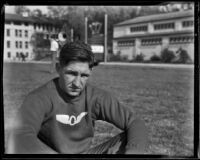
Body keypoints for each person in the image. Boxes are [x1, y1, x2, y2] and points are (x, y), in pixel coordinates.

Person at [7, 41, 148, 154]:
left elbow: (135, 122)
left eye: (84, 75)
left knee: (129, 139)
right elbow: (19, 136)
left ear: (90, 72)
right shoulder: (39, 98)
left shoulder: (96, 97)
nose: (77, 83)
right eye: (71, 73)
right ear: (58, 68)